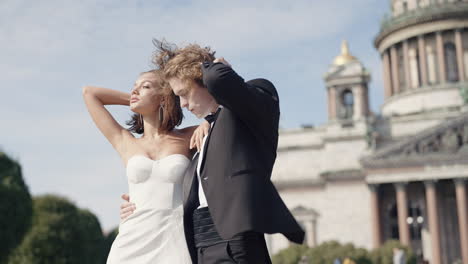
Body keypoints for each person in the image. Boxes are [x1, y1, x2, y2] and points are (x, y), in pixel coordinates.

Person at [121, 40, 305, 263]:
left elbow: (219, 80)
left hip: (234, 242)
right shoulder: (205, 134)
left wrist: (213, 66)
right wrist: (141, 203)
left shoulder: (256, 99)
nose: (184, 104)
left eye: (184, 93)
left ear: (204, 81)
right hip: (200, 245)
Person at [83, 69, 208, 263]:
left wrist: (207, 122)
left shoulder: (188, 136)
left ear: (164, 97)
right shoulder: (125, 141)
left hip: (175, 239)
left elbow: (223, 115)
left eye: (145, 86)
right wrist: (137, 100)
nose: (135, 91)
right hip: (131, 239)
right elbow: (90, 93)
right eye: (134, 87)